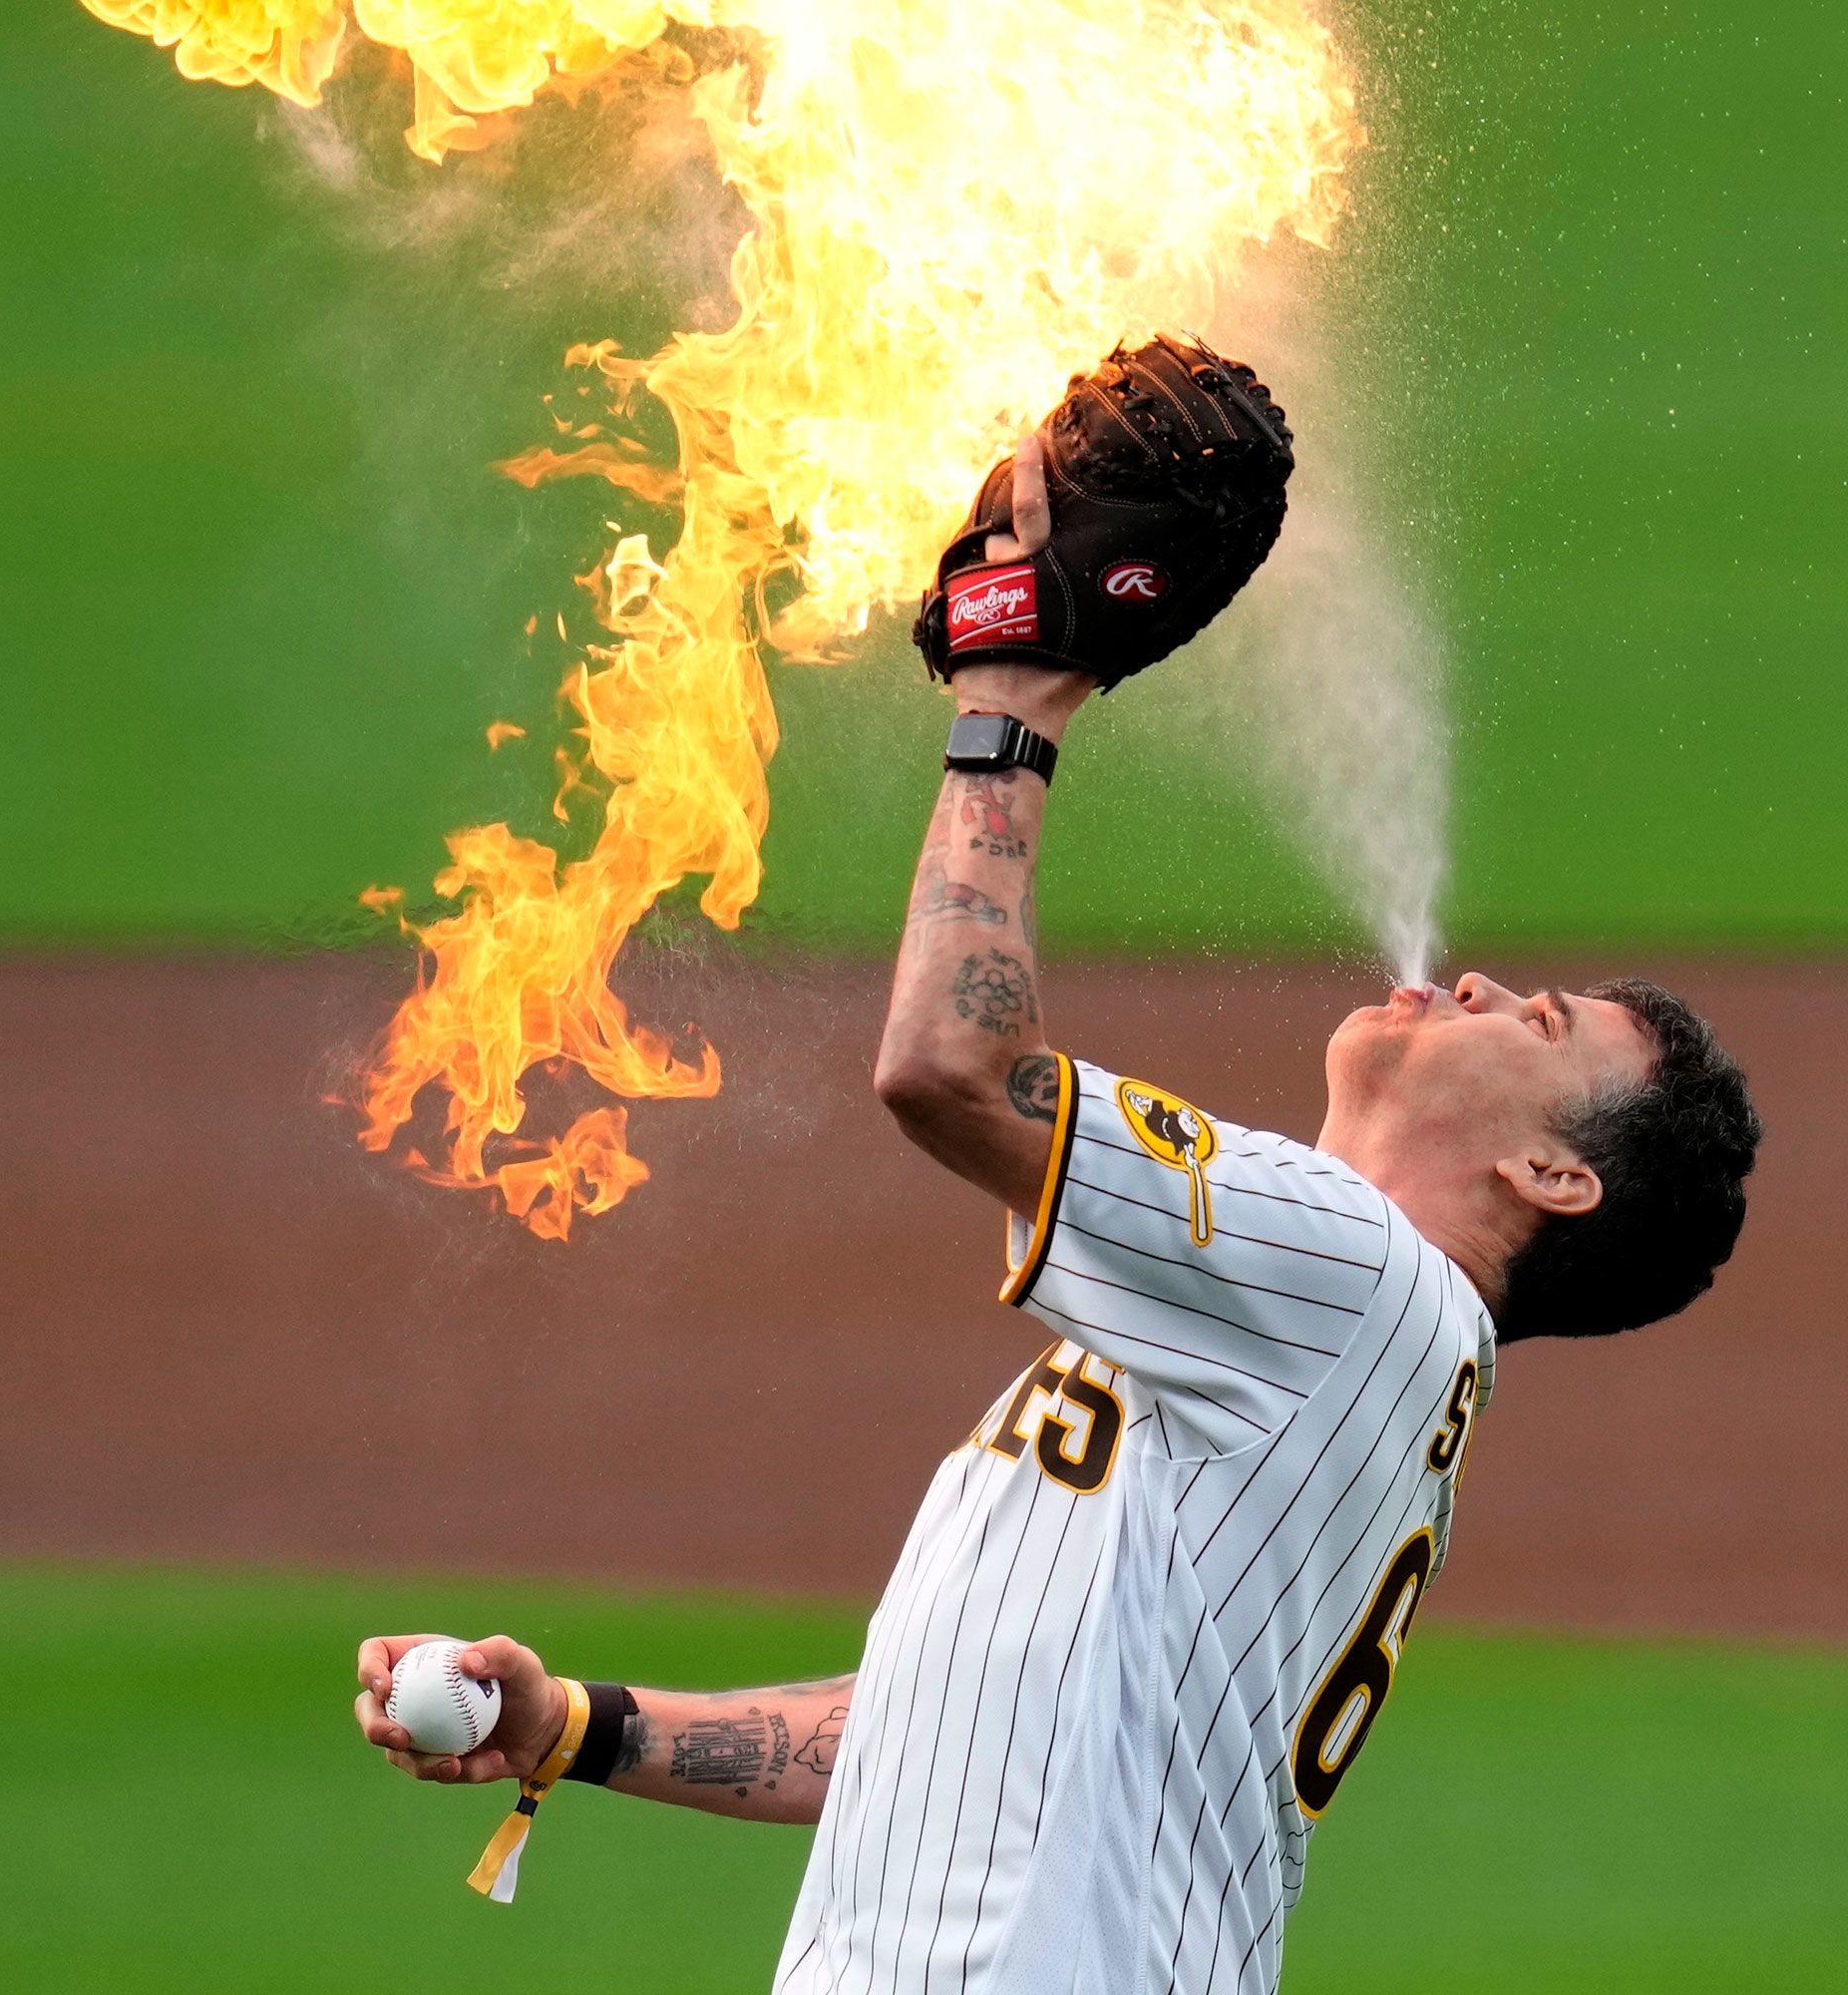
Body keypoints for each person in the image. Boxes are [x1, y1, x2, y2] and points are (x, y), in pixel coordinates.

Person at [354, 359, 1761, 1993]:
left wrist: (1013, 707)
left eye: (1543, 1021)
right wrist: (582, 1729)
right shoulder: (1307, 1340)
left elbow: (955, 1069)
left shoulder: (1363, 1286)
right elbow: (942, 1733)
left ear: (1551, 1174)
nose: (1475, 987)